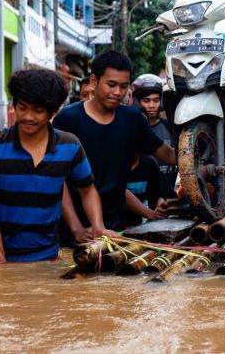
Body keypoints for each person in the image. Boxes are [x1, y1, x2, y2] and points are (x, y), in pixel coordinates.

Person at [0, 68, 113, 265]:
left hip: (48, 260)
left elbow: (87, 190)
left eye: (37, 110)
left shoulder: (70, 146)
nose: (28, 116)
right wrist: (0, 268)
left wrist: (95, 227)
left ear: (53, 112)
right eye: (22, 107)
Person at [52, 51, 177, 239]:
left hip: (115, 227)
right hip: (73, 230)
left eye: (123, 86)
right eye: (111, 85)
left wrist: (197, 149)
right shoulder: (68, 119)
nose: (117, 92)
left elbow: (167, 155)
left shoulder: (133, 119)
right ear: (94, 81)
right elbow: (57, 180)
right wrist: (76, 227)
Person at [131, 73, 178, 200]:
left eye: (156, 100)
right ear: (137, 102)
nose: (152, 105)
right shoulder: (132, 130)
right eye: (146, 101)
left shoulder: (170, 127)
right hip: (141, 197)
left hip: (170, 197)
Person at [122, 154, 165, 228]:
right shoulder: (112, 164)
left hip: (136, 224)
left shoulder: (149, 163)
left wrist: (160, 206)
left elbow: (159, 192)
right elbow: (121, 192)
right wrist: (151, 214)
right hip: (111, 224)